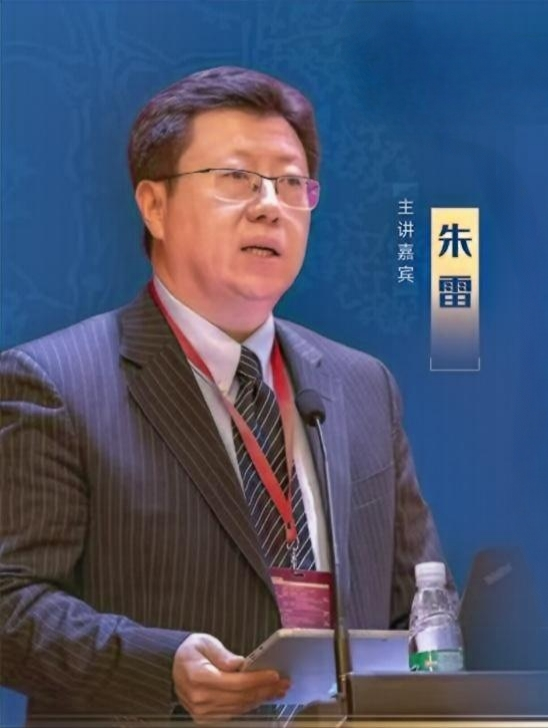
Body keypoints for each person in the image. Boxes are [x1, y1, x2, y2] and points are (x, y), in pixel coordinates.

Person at [0, 66, 453, 722]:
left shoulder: (362, 385)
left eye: (291, 182)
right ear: (154, 206)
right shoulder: (56, 383)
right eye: (236, 178)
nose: (270, 205)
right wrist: (162, 667)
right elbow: (10, 602)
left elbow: (418, 600)